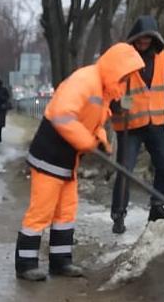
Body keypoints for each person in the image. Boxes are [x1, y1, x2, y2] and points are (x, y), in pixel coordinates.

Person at [15, 43, 145, 281]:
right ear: (115, 68)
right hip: (50, 154)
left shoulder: (103, 90)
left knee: (66, 212)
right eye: (124, 76)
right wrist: (87, 142)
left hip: (67, 159)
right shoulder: (85, 80)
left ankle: (61, 261)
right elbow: (62, 115)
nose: (125, 83)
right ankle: (25, 264)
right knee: (41, 211)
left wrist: (102, 141)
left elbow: (94, 123)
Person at [109, 15, 164, 235]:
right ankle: (119, 214)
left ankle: (157, 207)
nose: (143, 43)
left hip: (155, 123)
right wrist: (117, 104)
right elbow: (110, 88)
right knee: (125, 170)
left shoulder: (162, 59)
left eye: (147, 39)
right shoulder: (123, 58)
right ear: (134, 39)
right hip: (129, 124)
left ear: (154, 40)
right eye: (140, 39)